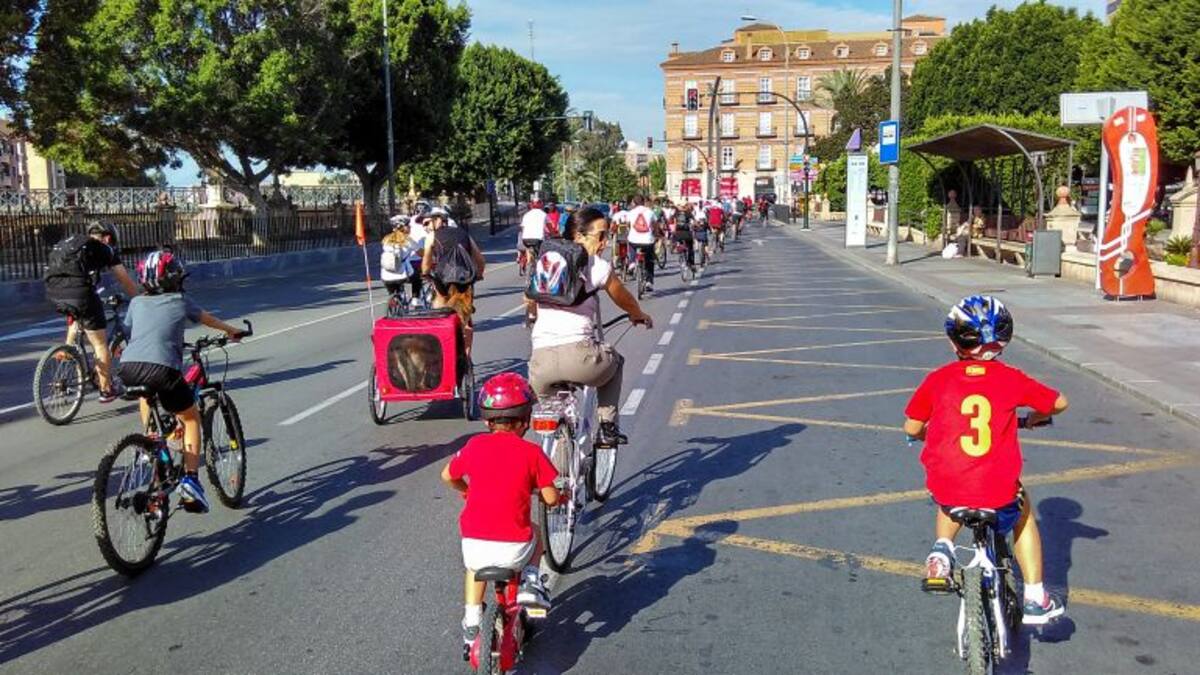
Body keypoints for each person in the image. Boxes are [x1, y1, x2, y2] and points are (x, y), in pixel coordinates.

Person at [903, 295, 1069, 625]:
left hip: (949, 483)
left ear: (954, 342)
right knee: (1022, 512)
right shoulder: (1012, 379)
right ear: (1003, 340)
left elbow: (911, 426)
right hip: (998, 489)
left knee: (948, 495)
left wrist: (927, 435)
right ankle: (1035, 597)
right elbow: (1059, 402)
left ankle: (942, 551)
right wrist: (1035, 417)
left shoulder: (938, 379)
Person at [119, 249, 245, 513]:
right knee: (190, 418)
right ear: (175, 279)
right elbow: (207, 318)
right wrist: (231, 330)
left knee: (147, 394)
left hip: (129, 368)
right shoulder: (180, 300)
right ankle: (190, 480)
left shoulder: (136, 303)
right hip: (162, 369)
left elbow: (130, 331)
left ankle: (149, 438)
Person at [440, 372, 560, 648]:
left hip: (474, 545)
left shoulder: (474, 446)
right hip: (515, 549)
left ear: (487, 419)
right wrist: (557, 496)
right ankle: (530, 580)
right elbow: (551, 498)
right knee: (537, 531)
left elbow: (447, 476)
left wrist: (466, 490)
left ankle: (471, 622)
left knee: (473, 568)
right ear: (525, 419)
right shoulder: (532, 452)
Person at [526, 206, 653, 447]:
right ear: (579, 236)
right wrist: (638, 315)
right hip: (580, 359)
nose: (605, 242)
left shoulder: (546, 263)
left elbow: (530, 301)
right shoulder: (596, 265)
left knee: (555, 413)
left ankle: (555, 455)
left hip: (539, 364)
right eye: (601, 235)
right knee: (615, 362)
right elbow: (624, 298)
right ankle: (607, 427)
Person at [43, 221, 141, 402]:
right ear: (109, 238)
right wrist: (140, 299)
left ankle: (67, 350)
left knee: (77, 312)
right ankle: (106, 390)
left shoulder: (73, 243)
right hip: (79, 291)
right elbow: (123, 278)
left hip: (53, 290)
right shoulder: (104, 248)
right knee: (100, 343)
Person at [422, 207, 486, 358]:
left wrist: (425, 274)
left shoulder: (432, 236)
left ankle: (440, 348)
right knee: (466, 320)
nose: (426, 226)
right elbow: (480, 260)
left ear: (437, 220)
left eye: (428, 222)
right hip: (465, 280)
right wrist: (479, 274)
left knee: (439, 308)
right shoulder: (464, 234)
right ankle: (466, 357)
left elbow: (426, 261)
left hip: (443, 279)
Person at [381, 216, 423, 309]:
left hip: (386, 275)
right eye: (408, 226)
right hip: (403, 274)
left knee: (394, 291)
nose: (410, 228)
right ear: (403, 227)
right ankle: (415, 299)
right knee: (417, 277)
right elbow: (421, 253)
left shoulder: (386, 239)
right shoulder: (407, 240)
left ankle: (394, 301)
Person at [625, 195, 659, 291]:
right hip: (648, 241)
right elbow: (656, 225)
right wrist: (656, 234)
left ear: (634, 203)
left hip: (634, 240)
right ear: (644, 202)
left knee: (631, 245)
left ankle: (632, 263)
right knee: (649, 261)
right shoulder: (650, 212)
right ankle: (649, 282)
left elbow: (628, 225)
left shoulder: (630, 212)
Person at [518, 198, 548, 263]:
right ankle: (539, 265)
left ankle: (529, 263)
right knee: (541, 255)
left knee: (528, 249)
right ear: (541, 205)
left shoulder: (526, 215)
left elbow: (523, 228)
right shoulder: (544, 214)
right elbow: (550, 228)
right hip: (538, 239)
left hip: (526, 239)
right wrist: (553, 233)